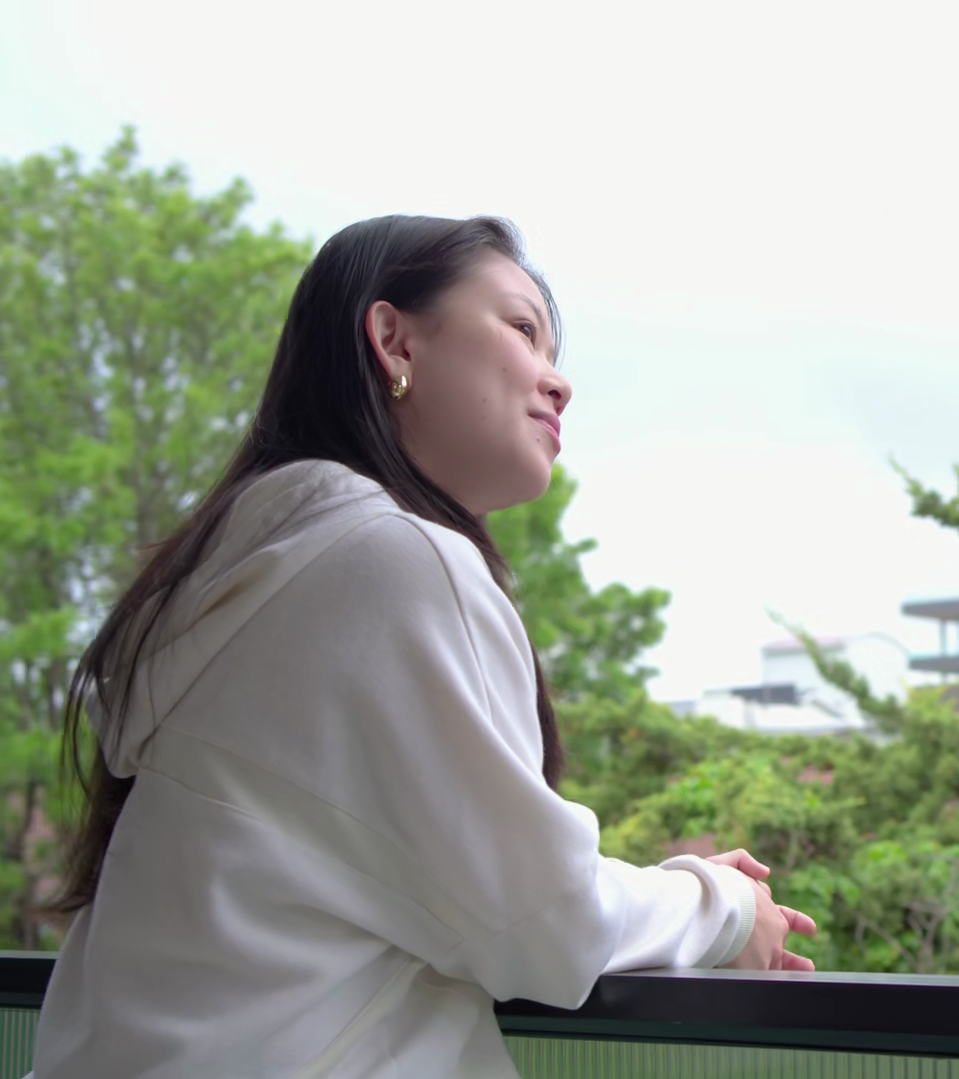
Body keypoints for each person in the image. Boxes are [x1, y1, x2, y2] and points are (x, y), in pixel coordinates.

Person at [28, 216, 816, 1078]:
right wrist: (724, 904)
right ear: (394, 340)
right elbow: (546, 926)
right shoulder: (390, 562)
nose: (559, 382)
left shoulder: (239, 577)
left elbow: (467, 888)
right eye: (522, 328)